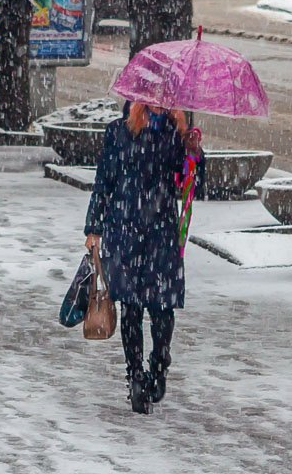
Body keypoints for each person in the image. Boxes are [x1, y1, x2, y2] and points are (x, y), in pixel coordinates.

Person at [84, 102, 204, 414]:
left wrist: (194, 154)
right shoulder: (118, 131)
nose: (159, 101)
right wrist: (93, 227)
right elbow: (104, 181)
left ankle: (159, 366)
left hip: (162, 232)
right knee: (131, 307)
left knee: (163, 307)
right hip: (124, 230)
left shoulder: (176, 134)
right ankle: (134, 375)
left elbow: (191, 187)